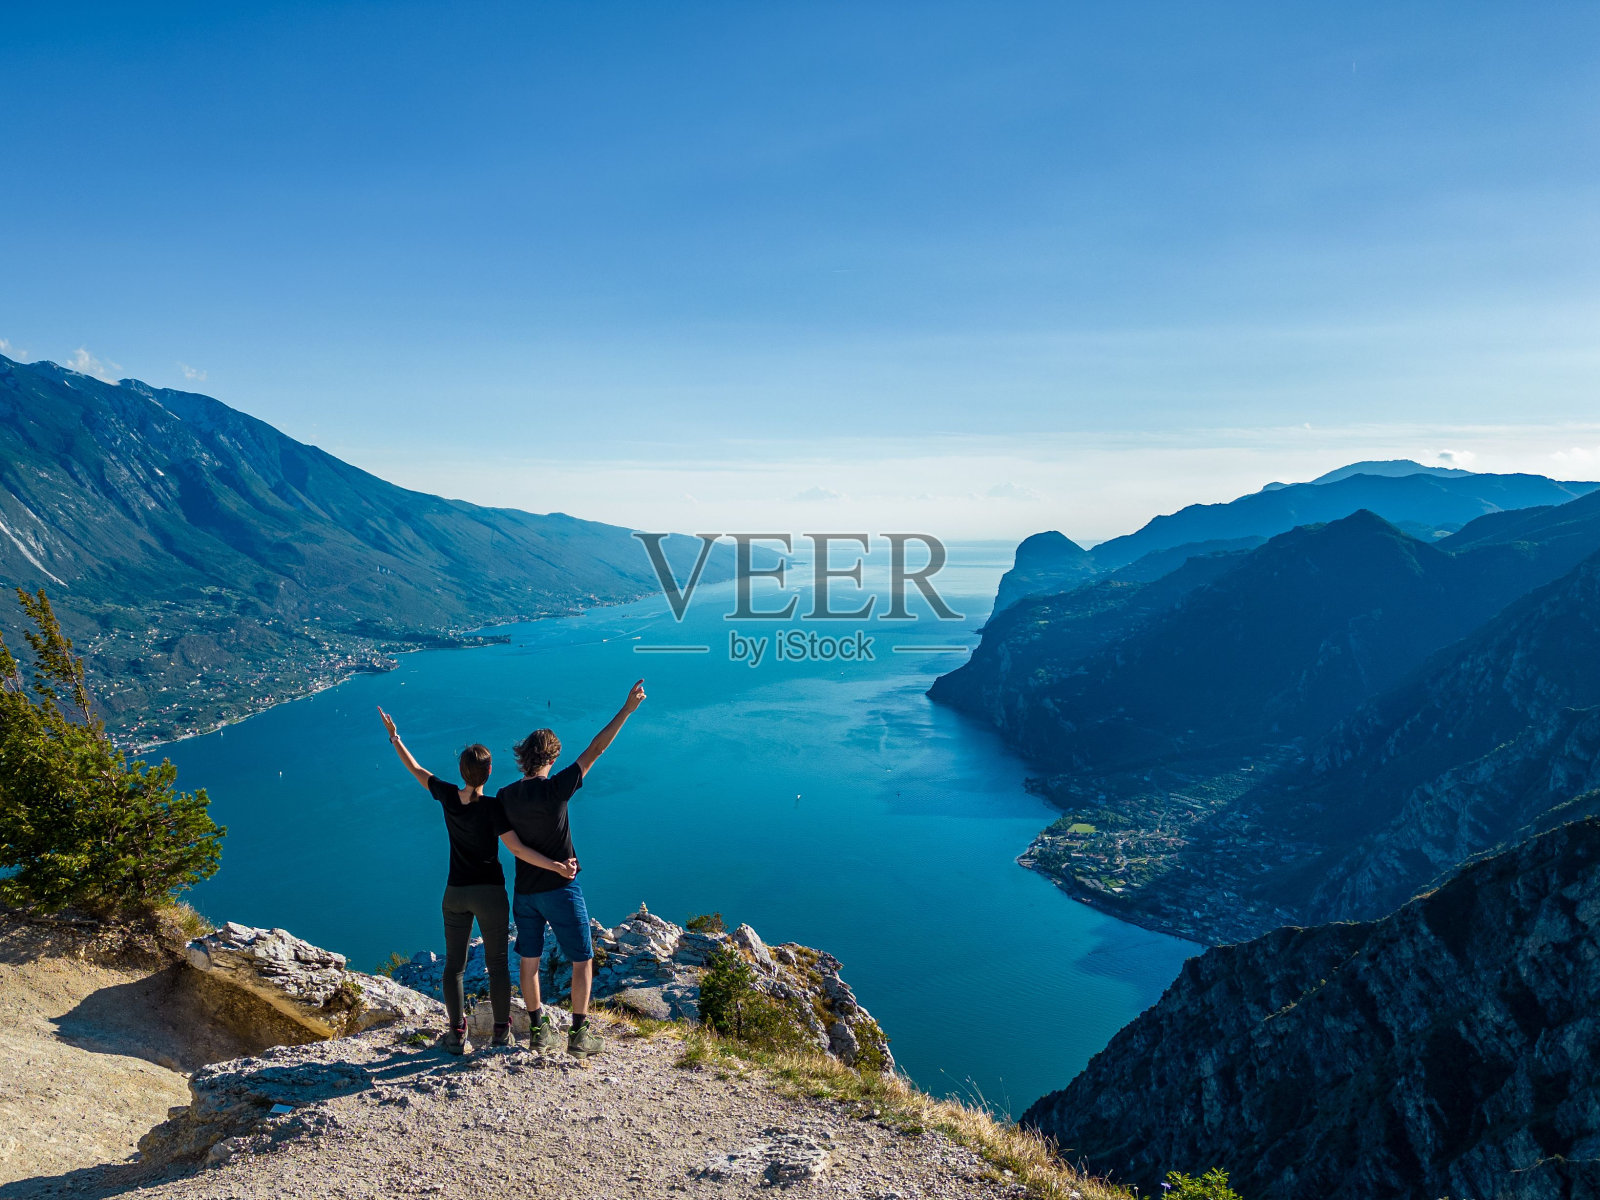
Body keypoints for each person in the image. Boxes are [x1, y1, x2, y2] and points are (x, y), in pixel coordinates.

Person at [378, 707, 577, 1055]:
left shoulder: (447, 797)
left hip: (455, 893)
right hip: (490, 893)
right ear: (489, 771)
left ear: (461, 772)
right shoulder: (495, 806)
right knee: (496, 964)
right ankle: (501, 1032)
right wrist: (555, 864)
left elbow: (417, 770)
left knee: (454, 966)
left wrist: (395, 738)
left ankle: (457, 1033)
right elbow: (517, 846)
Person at [496, 679, 646, 1058]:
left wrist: (548, 865)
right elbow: (596, 748)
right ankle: (578, 1034)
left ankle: (538, 1030)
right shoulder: (557, 788)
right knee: (582, 959)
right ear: (552, 758)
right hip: (560, 890)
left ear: (523, 757)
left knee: (529, 961)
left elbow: (514, 847)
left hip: (525, 893)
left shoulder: (504, 796)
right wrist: (627, 710)